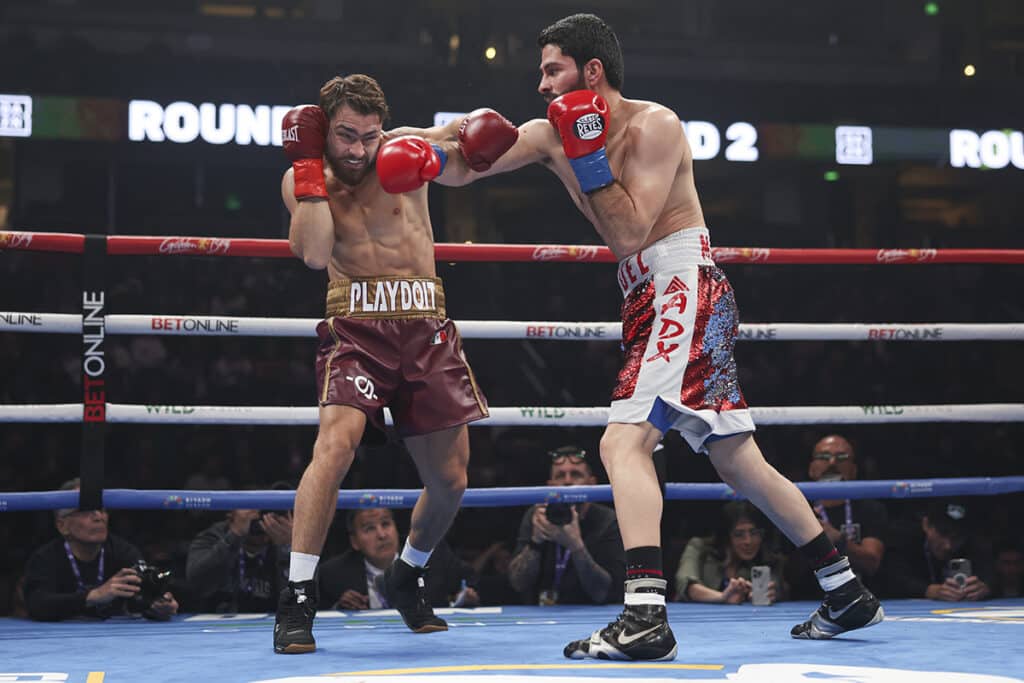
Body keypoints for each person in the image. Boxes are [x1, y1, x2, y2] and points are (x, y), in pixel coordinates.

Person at [427, 13, 884, 659]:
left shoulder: (656, 125)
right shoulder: (549, 133)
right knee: (736, 460)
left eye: (550, 69)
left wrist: (587, 155)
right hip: (649, 295)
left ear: (591, 72)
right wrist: (405, 148)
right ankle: (844, 590)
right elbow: (463, 162)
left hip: (681, 282)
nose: (539, 85)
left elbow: (629, 232)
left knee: (623, 442)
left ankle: (644, 614)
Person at [274, 73, 517, 654]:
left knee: (451, 480)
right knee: (334, 449)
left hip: (425, 324)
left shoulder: (405, 144)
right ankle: (298, 598)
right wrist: (311, 168)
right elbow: (311, 254)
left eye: (369, 135)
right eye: (345, 136)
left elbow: (472, 155)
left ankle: (408, 573)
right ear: (325, 128)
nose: (358, 149)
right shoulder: (304, 176)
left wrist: (463, 138)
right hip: (356, 327)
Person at [22, 478, 179, 621]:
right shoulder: (45, 558)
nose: (98, 516)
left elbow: (140, 597)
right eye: (85, 510)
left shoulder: (123, 552)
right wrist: (94, 596)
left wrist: (157, 606)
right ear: (62, 525)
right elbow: (37, 605)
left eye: (102, 509)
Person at [507, 445, 624, 605]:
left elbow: (605, 593)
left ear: (592, 484)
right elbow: (518, 584)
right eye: (560, 476)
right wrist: (535, 542)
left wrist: (577, 547)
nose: (568, 481)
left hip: (591, 613)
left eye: (576, 475)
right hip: (541, 613)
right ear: (550, 485)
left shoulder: (608, 520)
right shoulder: (537, 515)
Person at [786, 435, 887, 598]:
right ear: (812, 468)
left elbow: (872, 563)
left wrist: (838, 539)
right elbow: (789, 574)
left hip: (864, 599)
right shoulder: (796, 508)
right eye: (824, 457)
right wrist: (812, 538)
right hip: (806, 600)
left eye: (841, 457)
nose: (832, 463)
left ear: (853, 470)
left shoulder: (870, 509)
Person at [318, 507, 478, 610]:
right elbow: (318, 614)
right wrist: (339, 607)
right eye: (369, 529)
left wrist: (464, 597)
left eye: (386, 524)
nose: (381, 535)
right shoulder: (333, 574)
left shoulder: (431, 554)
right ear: (354, 541)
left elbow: (470, 582)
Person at [674, 501, 785, 604]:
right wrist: (722, 597)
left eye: (754, 533)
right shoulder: (699, 547)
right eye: (738, 534)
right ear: (726, 536)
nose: (748, 541)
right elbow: (686, 585)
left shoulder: (768, 558)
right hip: (693, 619)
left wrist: (769, 594)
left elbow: (777, 587)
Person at [187, 505, 292, 613]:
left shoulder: (286, 539)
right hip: (217, 620)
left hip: (273, 620)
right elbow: (197, 582)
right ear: (231, 514)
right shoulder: (214, 536)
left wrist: (288, 547)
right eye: (251, 508)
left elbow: (298, 597)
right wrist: (234, 535)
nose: (258, 516)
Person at [882, 500, 993, 601]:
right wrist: (927, 590)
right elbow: (890, 579)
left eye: (957, 537)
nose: (948, 546)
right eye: (943, 533)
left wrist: (985, 587)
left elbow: (993, 575)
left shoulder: (974, 545)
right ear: (926, 525)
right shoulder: (904, 539)